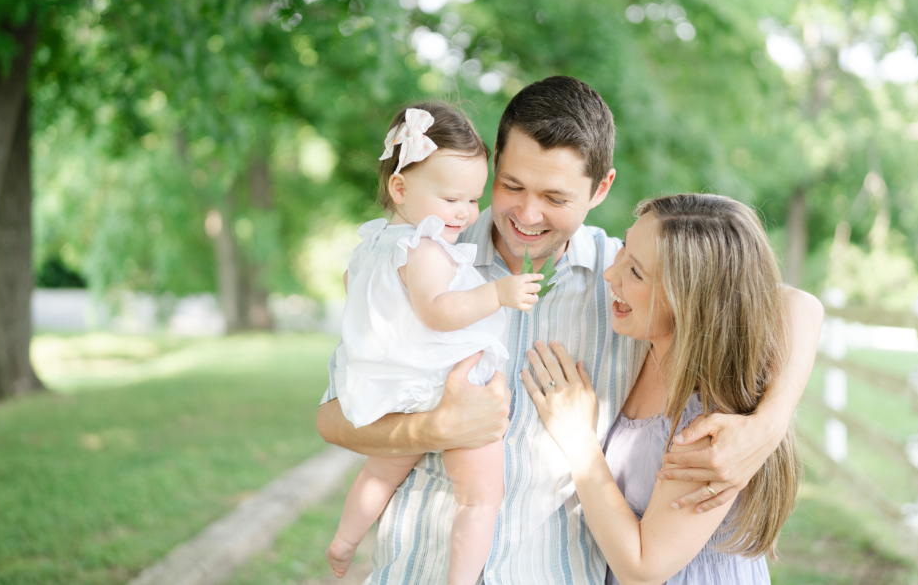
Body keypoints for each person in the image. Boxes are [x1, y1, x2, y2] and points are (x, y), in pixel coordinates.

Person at [316, 76, 824, 584]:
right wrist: (435, 429)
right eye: (512, 185)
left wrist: (769, 424)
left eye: (555, 196)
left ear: (600, 188)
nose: (527, 214)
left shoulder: (628, 280)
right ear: (494, 161)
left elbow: (782, 302)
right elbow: (334, 419)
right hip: (419, 570)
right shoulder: (422, 257)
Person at [522, 193, 800, 585]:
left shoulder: (709, 425)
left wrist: (577, 439)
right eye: (623, 250)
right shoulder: (644, 344)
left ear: (690, 301)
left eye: (635, 273)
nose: (610, 275)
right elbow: (799, 303)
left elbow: (642, 567)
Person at [324, 103, 544, 584]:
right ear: (399, 187)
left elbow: (353, 287)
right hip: (441, 387)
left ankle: (344, 541)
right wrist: (497, 293)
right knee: (480, 495)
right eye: (452, 200)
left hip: (395, 390)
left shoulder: (373, 244)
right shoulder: (425, 247)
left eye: (473, 199)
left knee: (380, 474)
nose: (466, 213)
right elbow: (438, 313)